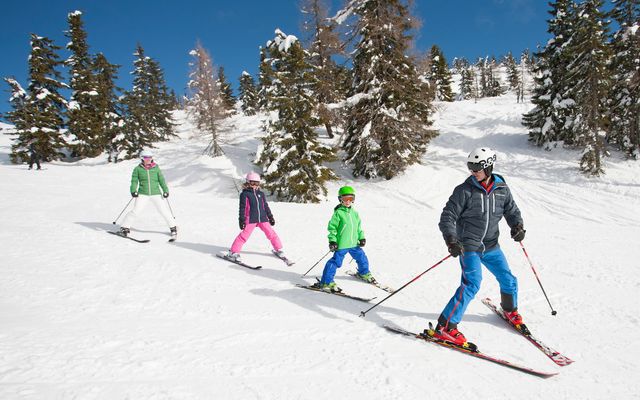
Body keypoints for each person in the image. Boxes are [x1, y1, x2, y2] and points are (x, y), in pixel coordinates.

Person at [431, 147, 526, 346]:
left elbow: (512, 211)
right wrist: (451, 239)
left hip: (491, 245)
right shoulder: (464, 191)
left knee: (508, 279)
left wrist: (517, 226)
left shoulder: (502, 189)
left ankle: (510, 310)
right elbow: (448, 216)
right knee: (472, 283)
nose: (473, 171)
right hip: (469, 246)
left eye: (477, 167)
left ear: (489, 167)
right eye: (470, 167)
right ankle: (445, 327)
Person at [313, 186, 375, 293]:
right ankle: (326, 282)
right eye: (345, 199)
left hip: (354, 244)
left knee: (362, 258)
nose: (348, 201)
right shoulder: (338, 213)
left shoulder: (354, 213)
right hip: (341, 244)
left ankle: (363, 273)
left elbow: (358, 227)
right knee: (335, 262)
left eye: (351, 199)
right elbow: (332, 228)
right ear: (340, 199)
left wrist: (361, 237)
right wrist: (332, 241)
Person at [226, 172, 284, 261]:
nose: (254, 185)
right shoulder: (245, 194)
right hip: (251, 219)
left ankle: (278, 249)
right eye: (252, 183)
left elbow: (265, 206)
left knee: (271, 233)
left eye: (257, 183)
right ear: (248, 182)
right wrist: (241, 220)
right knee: (243, 236)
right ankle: (233, 252)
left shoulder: (261, 194)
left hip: (263, 218)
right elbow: (242, 208)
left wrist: (270, 216)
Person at [119, 150, 177, 238]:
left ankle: (173, 227)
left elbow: (161, 180)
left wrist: (165, 190)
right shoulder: (137, 169)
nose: (148, 159)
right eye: (146, 157)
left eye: (150, 157)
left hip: (156, 193)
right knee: (136, 211)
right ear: (142, 158)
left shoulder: (156, 168)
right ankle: (124, 227)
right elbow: (134, 181)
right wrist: (133, 190)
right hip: (143, 193)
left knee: (164, 211)